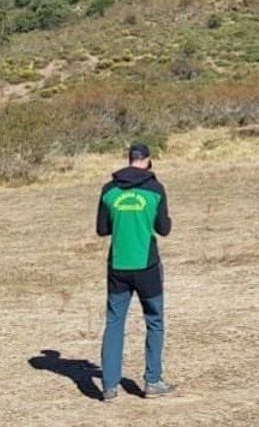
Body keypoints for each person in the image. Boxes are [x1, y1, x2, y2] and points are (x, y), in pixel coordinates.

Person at [95, 142, 174, 401]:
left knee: (115, 323)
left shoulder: (109, 190)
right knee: (155, 321)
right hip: (147, 266)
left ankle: (109, 386)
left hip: (118, 266)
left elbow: (102, 229)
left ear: (129, 159)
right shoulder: (155, 189)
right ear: (148, 160)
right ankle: (153, 380)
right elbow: (164, 229)